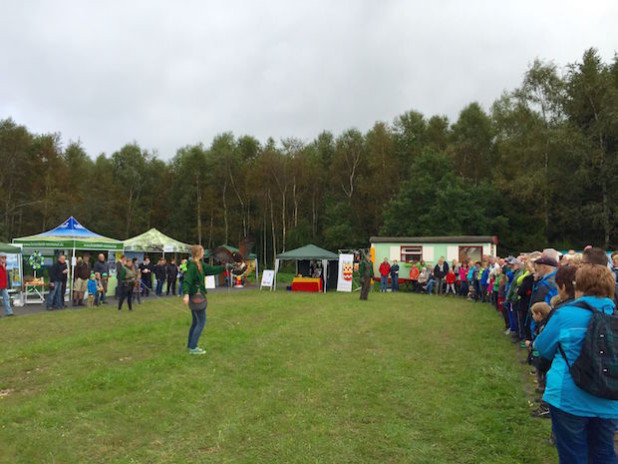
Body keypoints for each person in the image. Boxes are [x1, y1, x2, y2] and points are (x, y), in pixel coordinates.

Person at [534, 264, 618, 463]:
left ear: (578, 287)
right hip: (609, 398)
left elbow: (543, 347)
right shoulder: (614, 317)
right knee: (604, 453)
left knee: (573, 455)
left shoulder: (564, 315)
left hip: (568, 397)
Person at [182, 245, 225, 354]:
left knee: (195, 322)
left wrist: (225, 267)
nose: (203, 253)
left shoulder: (200, 264)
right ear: (198, 253)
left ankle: (190, 346)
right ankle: (193, 347)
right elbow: (187, 281)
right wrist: (186, 294)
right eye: (202, 251)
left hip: (196, 296)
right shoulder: (192, 266)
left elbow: (211, 269)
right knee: (201, 322)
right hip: (196, 297)